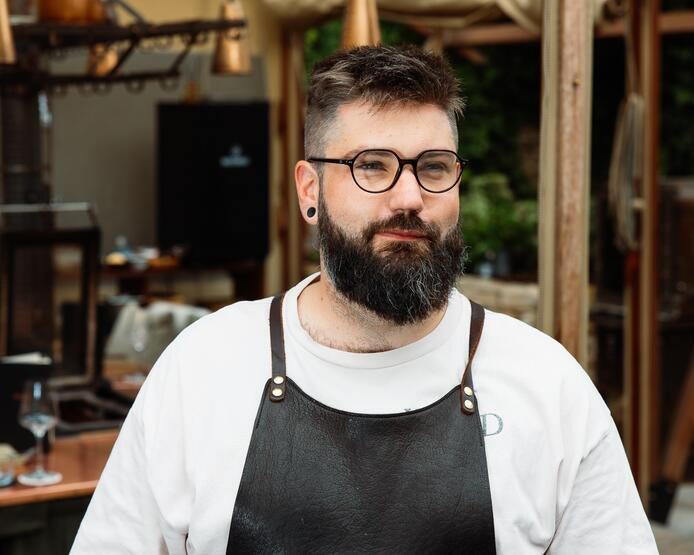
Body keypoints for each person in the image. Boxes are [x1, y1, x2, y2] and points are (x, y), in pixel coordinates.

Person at [72, 45, 658, 554]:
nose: (409, 196)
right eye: (371, 166)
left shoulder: (548, 387)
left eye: (433, 167)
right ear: (310, 190)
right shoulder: (202, 368)